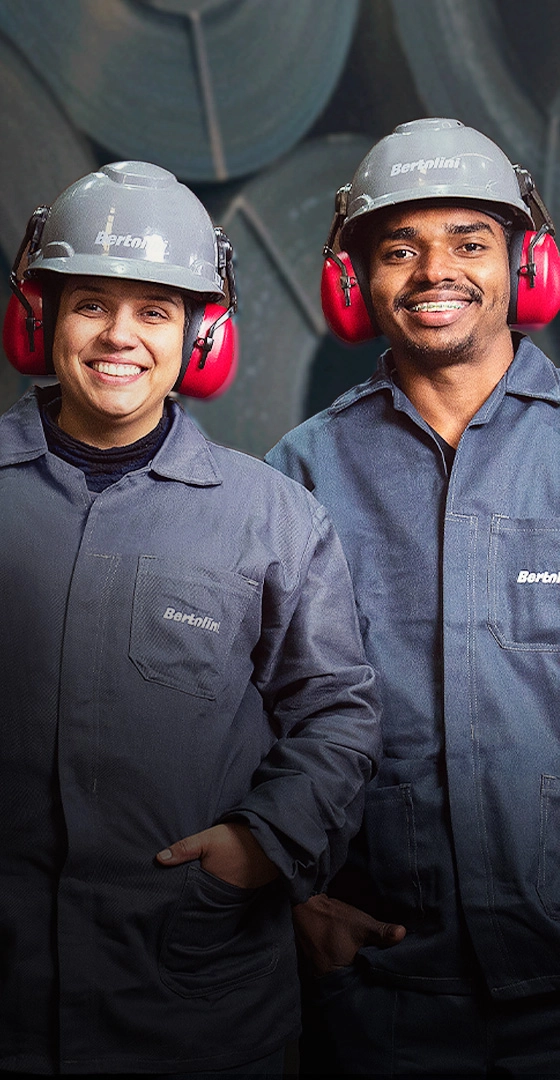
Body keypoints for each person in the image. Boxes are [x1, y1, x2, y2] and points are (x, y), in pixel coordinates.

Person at [0, 160, 381, 1077]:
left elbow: (338, 713)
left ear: (202, 337)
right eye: (91, 302)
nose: (119, 337)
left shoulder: (272, 516)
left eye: (156, 311)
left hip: (198, 1007)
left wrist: (263, 844)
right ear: (39, 317)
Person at [266, 117, 560, 1076]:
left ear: (527, 266)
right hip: (379, 993)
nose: (437, 271)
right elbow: (231, 709)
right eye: (400, 250)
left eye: (470, 243)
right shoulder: (296, 475)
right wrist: (289, 894)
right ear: (355, 285)